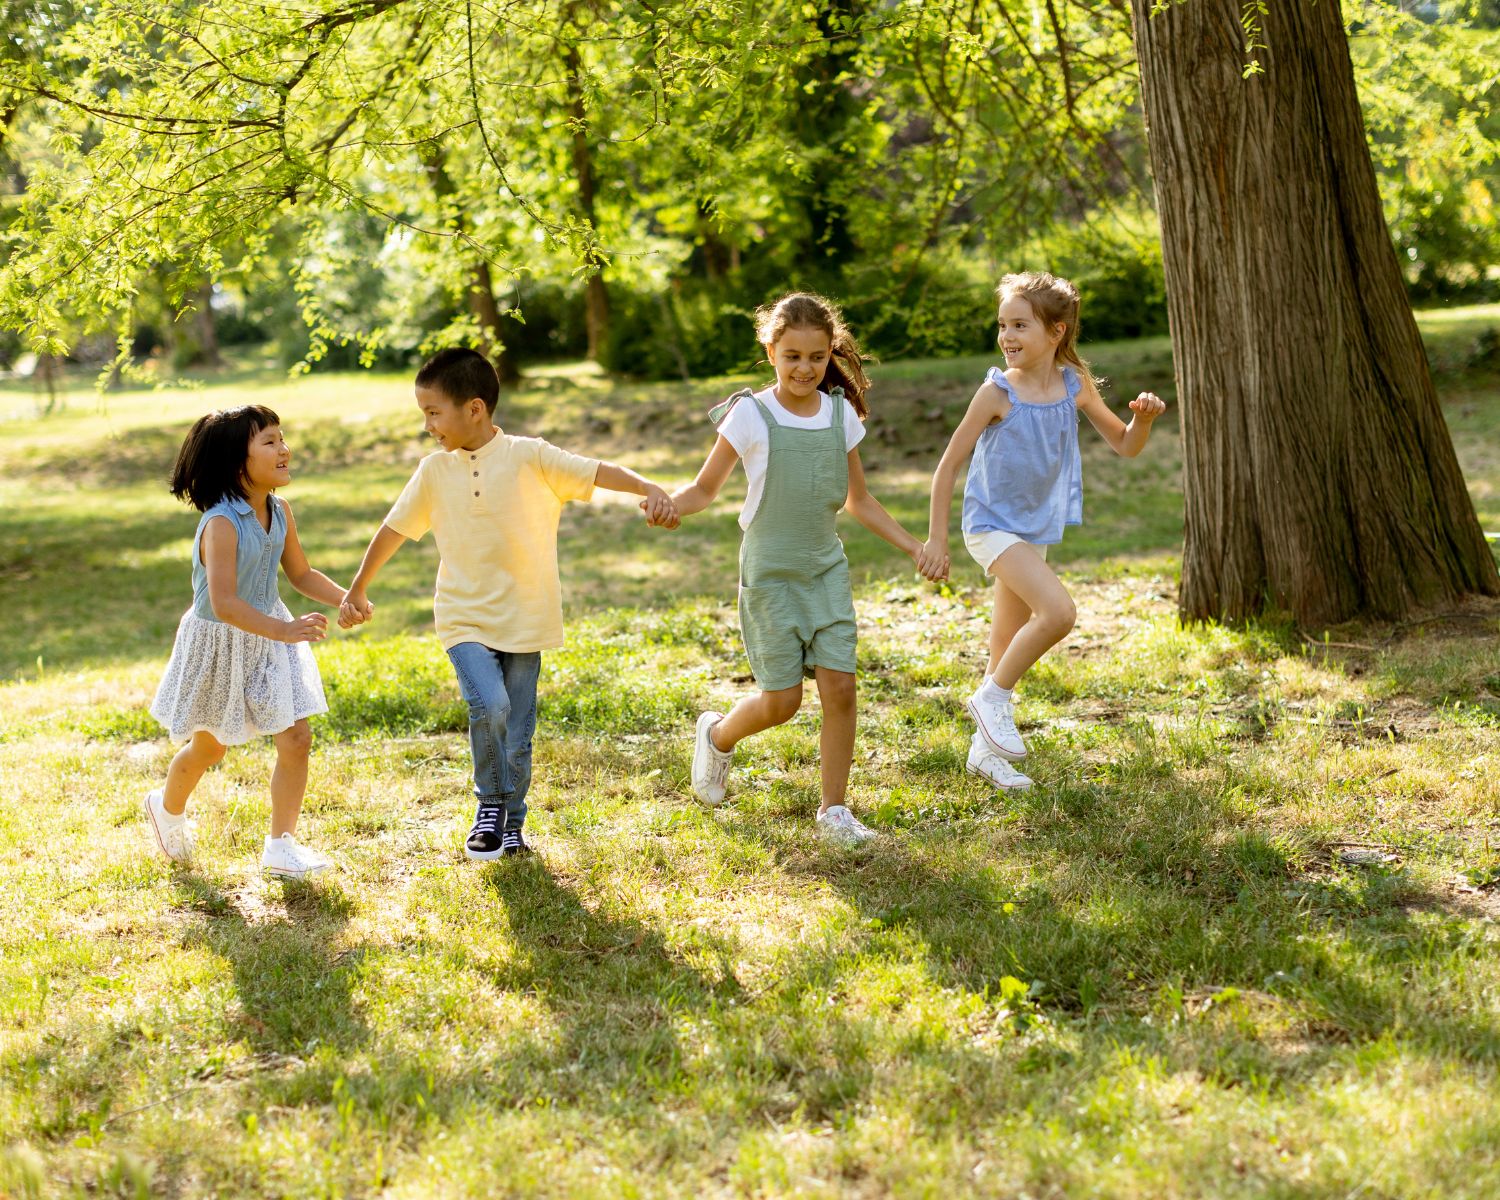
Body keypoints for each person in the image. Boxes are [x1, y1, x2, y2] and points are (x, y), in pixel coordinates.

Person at [338, 348, 677, 860]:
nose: (427, 425)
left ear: (475, 408)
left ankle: (512, 825)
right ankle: (490, 806)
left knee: (518, 731)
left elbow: (594, 470)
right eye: (423, 414)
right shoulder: (434, 471)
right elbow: (393, 529)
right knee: (489, 705)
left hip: (526, 614)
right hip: (463, 615)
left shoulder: (530, 455)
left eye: (434, 413)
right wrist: (358, 586)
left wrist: (645, 486)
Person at [668, 292, 946, 845]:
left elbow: (858, 501)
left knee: (840, 688)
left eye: (816, 358)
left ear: (829, 355)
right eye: (792, 355)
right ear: (770, 350)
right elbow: (704, 488)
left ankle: (834, 811)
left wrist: (914, 546)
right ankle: (719, 735)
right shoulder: (750, 414)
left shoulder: (840, 414)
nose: (805, 368)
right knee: (782, 702)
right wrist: (669, 505)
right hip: (770, 576)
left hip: (826, 571)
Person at [923, 271, 1167, 790]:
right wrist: (937, 539)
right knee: (1058, 613)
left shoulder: (1073, 386)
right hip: (990, 526)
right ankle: (991, 699)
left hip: (1033, 531)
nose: (1006, 336)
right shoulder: (996, 392)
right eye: (1002, 325)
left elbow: (1125, 444)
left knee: (1004, 644)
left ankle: (983, 754)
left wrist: (1143, 419)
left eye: (1019, 325)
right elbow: (947, 466)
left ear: (1056, 332)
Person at [146, 406, 350, 878]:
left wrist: (346, 598)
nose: (285, 450)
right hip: (221, 643)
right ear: (239, 463)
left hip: (271, 634)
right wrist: (285, 630)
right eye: (271, 442)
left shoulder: (280, 511)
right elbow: (224, 603)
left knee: (297, 737)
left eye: (282, 439)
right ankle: (166, 806)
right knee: (210, 748)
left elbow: (299, 573)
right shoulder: (220, 523)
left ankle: (281, 847)